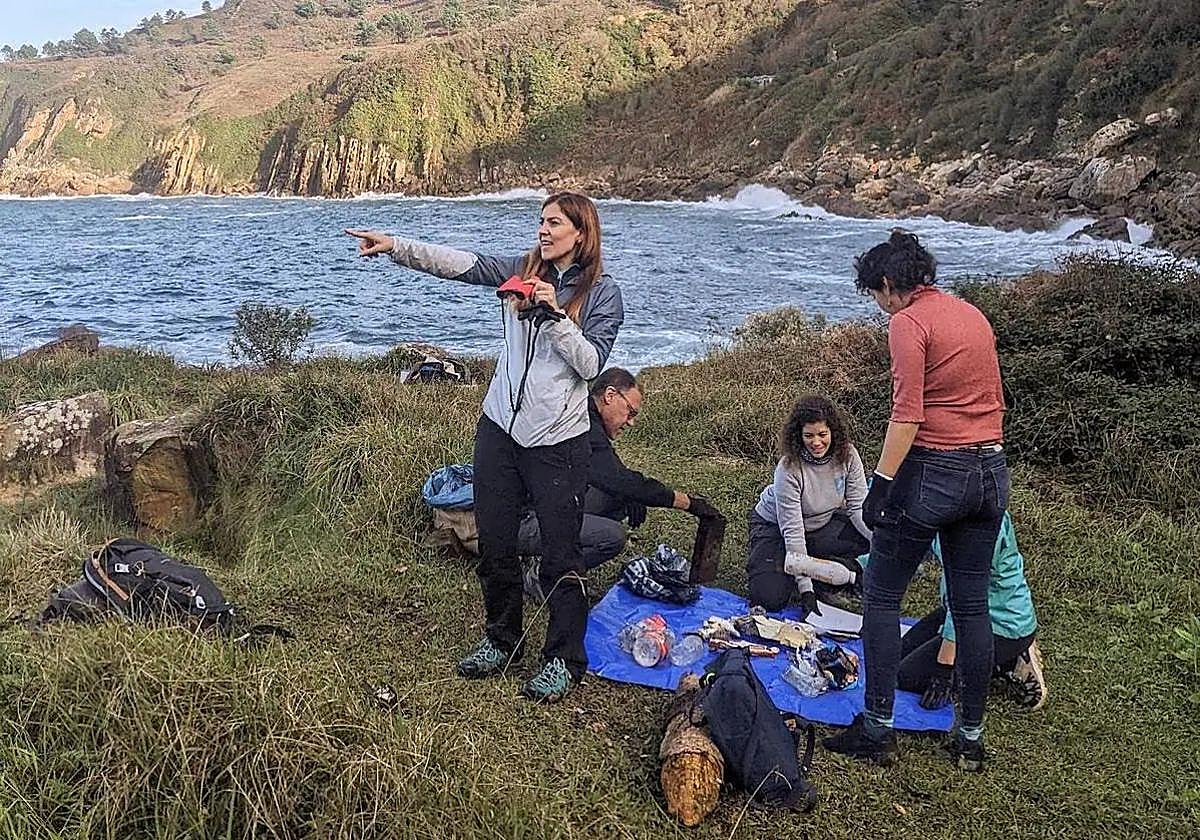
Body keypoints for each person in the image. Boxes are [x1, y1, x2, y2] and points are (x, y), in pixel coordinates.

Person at [346, 192, 622, 703]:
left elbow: (590, 365)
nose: (543, 230)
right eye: (541, 221)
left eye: (554, 223)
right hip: (499, 430)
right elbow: (461, 263)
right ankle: (501, 639)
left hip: (557, 442)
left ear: (581, 233)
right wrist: (395, 246)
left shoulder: (603, 294)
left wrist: (554, 315)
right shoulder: (522, 268)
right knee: (496, 544)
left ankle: (564, 659)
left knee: (560, 553)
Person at [823, 231, 1009, 772]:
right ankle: (969, 739)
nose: (878, 304)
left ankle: (876, 729)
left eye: (874, 293)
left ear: (888, 284)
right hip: (990, 473)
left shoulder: (908, 322)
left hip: (934, 472)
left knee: (882, 595)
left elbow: (908, 413)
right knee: (971, 606)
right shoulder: (971, 314)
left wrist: (881, 483)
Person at [517, 367, 720, 592]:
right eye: (630, 412)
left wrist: (631, 495)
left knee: (619, 497)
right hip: (522, 520)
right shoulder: (579, 424)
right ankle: (544, 576)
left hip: (545, 504)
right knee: (612, 537)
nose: (630, 422)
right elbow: (617, 479)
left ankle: (544, 556)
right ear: (610, 395)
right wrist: (687, 503)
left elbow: (614, 473)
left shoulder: (584, 414)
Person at [858, 511, 1046, 711]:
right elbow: (909, 547)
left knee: (906, 678)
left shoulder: (980, 527)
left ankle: (1008, 659)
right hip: (960, 609)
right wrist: (859, 565)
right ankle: (993, 657)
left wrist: (944, 668)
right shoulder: (942, 504)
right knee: (894, 658)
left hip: (999, 622)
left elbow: (966, 604)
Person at [746, 395, 871, 616]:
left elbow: (857, 507)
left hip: (819, 524)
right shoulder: (788, 469)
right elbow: (793, 531)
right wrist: (806, 591)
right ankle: (794, 570)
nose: (816, 442)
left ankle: (822, 571)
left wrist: (878, 542)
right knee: (769, 598)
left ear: (833, 432)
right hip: (776, 527)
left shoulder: (848, 455)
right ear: (798, 436)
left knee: (866, 540)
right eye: (809, 436)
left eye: (822, 434)